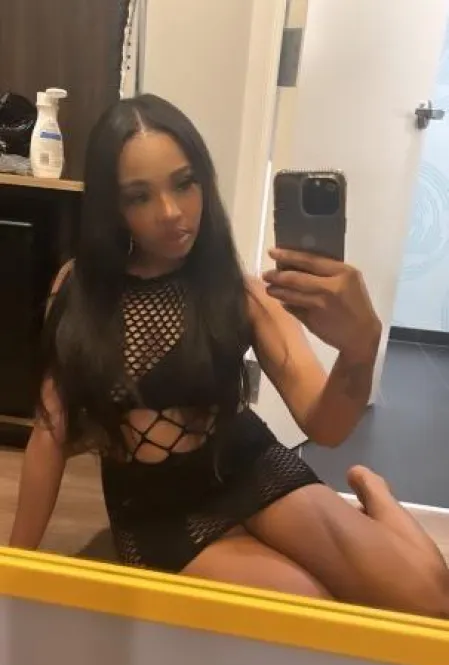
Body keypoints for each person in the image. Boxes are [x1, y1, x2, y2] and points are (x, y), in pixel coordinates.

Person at [10, 94, 449, 618]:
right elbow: (50, 431)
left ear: (204, 181)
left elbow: (325, 426)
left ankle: (377, 496)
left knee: (433, 603)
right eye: (139, 196)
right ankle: (373, 511)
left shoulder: (242, 294)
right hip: (156, 509)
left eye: (184, 183)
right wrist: (16, 569)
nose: (171, 212)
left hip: (248, 465)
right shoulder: (79, 290)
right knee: (316, 611)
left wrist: (360, 347)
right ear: (113, 207)